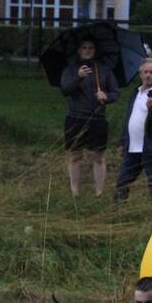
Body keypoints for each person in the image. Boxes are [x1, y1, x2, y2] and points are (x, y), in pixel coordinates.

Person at [59, 37, 119, 197]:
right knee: (75, 156)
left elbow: (115, 92)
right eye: (84, 47)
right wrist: (78, 77)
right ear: (79, 50)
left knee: (99, 157)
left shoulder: (104, 70)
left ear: (95, 51)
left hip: (98, 118)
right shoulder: (71, 69)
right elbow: (64, 89)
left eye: (91, 48)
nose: (87, 50)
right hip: (75, 118)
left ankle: (99, 193)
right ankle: (75, 193)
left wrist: (106, 96)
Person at [114, 58, 152, 203]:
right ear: (140, 74)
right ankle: (117, 209)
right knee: (122, 180)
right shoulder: (136, 92)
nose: (148, 75)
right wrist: (123, 142)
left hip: (150, 148)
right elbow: (129, 118)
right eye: (145, 72)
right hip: (132, 147)